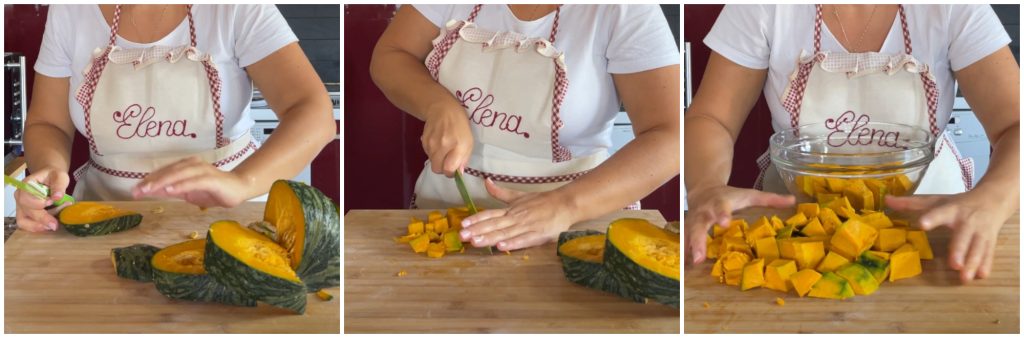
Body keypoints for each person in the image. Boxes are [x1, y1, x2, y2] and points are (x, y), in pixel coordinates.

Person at [685, 4, 1019, 282]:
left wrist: (993, 199)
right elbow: (712, 118)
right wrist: (705, 187)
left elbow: (1015, 124)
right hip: (799, 228)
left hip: (933, 224)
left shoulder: (953, 8)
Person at [371, 4, 680, 251]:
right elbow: (390, 56)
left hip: (581, 224)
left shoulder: (623, 10)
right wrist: (439, 105)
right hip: (449, 214)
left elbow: (669, 137)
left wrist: (565, 206)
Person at [15, 4, 335, 232]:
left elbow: (314, 113)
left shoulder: (238, 9)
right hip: (103, 221)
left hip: (235, 222)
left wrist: (240, 182)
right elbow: (49, 123)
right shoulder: (69, 10)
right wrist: (49, 170)